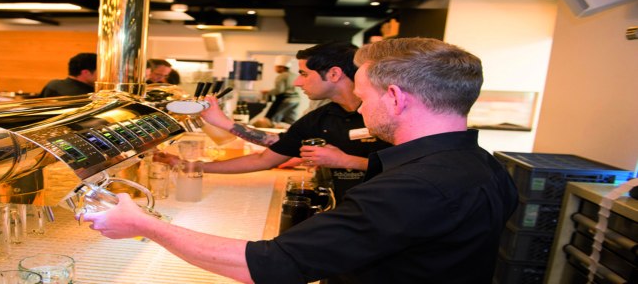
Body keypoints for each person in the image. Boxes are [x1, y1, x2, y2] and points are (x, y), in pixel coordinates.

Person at [82, 37, 519, 283]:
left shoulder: (416, 187)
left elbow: (268, 265)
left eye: (365, 98)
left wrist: (144, 225)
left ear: (395, 98)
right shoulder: (484, 166)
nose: (361, 111)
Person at [194, 41, 391, 201]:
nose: (297, 82)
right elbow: (265, 157)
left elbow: (413, 165)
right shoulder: (321, 118)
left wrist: (346, 161)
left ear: (334, 74)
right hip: (349, 208)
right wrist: (196, 166)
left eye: (304, 74)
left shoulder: (387, 111)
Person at [263, 56, 299, 124]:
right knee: (290, 119)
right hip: (296, 99)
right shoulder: (294, 75)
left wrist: (268, 92)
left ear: (281, 67)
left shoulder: (282, 76)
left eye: (276, 66)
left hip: (285, 99)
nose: (275, 68)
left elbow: (279, 90)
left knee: (273, 119)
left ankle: (271, 134)